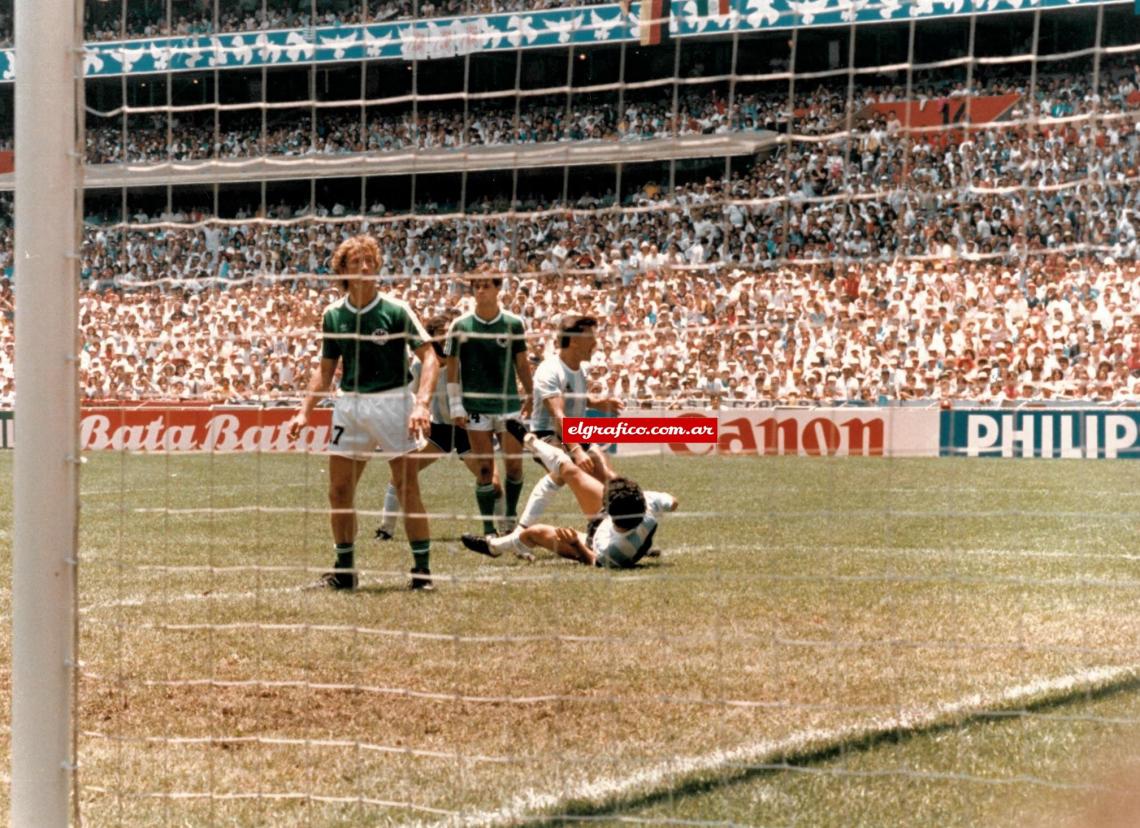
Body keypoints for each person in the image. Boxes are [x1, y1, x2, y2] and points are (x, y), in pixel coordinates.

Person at [288, 234, 439, 591]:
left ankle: (422, 572)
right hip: (350, 405)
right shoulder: (333, 315)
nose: (366, 267)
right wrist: (303, 412)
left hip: (393, 403)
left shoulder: (396, 309)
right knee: (339, 491)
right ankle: (344, 571)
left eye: (370, 260)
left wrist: (421, 403)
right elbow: (325, 370)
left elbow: (431, 355)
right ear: (343, 270)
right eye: (357, 262)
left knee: (407, 487)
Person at [373, 311, 504, 540]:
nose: (447, 338)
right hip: (440, 430)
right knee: (401, 472)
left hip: (469, 430)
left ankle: (506, 531)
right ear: (431, 336)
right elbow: (410, 397)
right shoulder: (420, 366)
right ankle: (386, 529)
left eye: (451, 333)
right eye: (442, 334)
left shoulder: (467, 360)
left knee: (493, 483)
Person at [462, 431, 676, 568]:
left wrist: (576, 544)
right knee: (568, 469)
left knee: (534, 533)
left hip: (591, 544)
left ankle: (495, 547)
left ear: (609, 511)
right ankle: (532, 441)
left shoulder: (615, 551)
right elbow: (673, 501)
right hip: (623, 523)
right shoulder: (649, 503)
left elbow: (593, 561)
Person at [515, 314, 624, 530]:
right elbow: (558, 416)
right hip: (547, 436)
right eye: (591, 337)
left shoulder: (580, 369)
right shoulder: (549, 370)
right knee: (578, 477)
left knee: (611, 481)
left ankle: (623, 529)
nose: (595, 342)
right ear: (574, 341)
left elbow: (575, 398)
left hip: (575, 434)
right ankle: (523, 533)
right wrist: (576, 450)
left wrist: (597, 403)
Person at [445, 271, 533, 536]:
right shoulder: (460, 325)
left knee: (515, 466)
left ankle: (509, 517)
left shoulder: (513, 323)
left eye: (486, 286)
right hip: (475, 407)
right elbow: (452, 368)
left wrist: (531, 393)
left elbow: (521, 363)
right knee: (485, 468)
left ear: (498, 289)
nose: (480, 290)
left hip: (508, 407)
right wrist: (455, 405)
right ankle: (488, 529)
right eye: (476, 286)